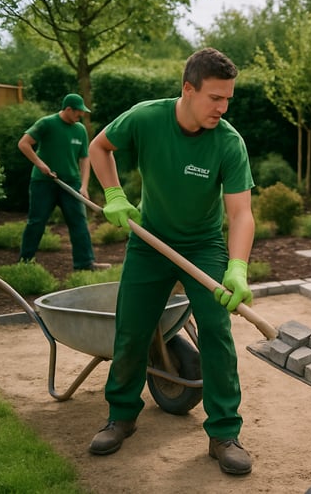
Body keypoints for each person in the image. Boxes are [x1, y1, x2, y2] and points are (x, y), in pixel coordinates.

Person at [87, 48, 256, 476]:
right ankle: (121, 416)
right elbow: (99, 147)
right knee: (132, 329)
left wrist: (237, 267)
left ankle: (224, 433)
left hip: (203, 246)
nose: (223, 107)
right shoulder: (146, 118)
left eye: (228, 99)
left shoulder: (228, 142)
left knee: (217, 332)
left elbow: (241, 213)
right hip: (150, 242)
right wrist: (114, 194)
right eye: (215, 98)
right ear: (188, 89)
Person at [17, 93, 110, 271]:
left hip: (71, 183)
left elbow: (84, 158)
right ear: (68, 109)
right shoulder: (47, 123)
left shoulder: (80, 129)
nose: (81, 114)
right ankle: (25, 262)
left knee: (79, 223)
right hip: (43, 182)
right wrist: (40, 164)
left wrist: (84, 186)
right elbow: (24, 143)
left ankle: (85, 263)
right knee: (36, 222)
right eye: (78, 111)